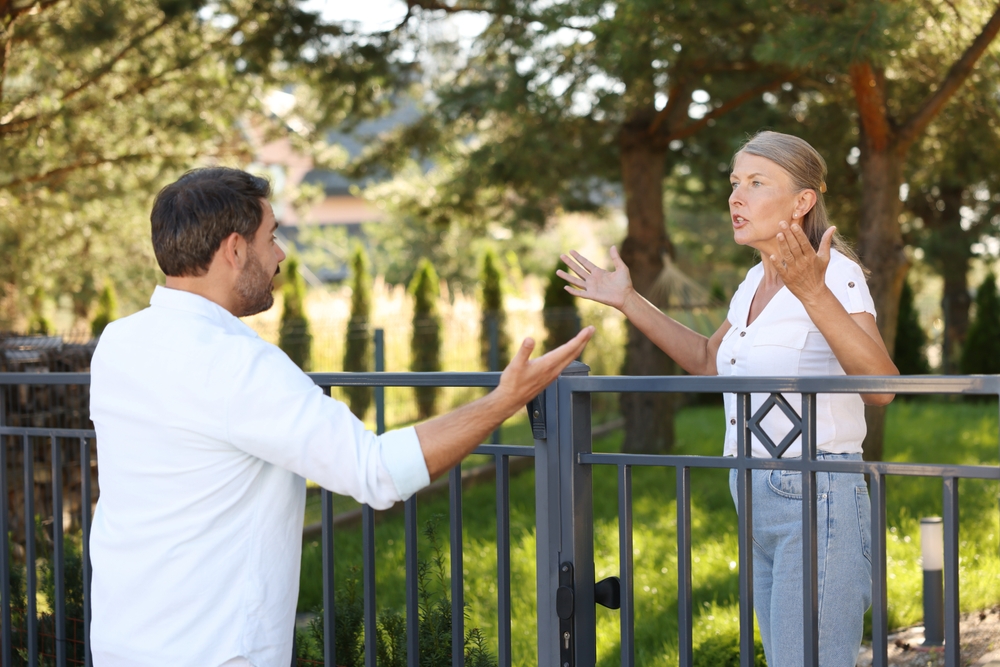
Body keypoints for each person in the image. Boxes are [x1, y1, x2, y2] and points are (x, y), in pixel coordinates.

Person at [89, 167, 593, 667]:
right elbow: (376, 472)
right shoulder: (236, 364)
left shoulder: (119, 342)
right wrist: (505, 400)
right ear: (235, 249)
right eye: (272, 237)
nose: (281, 255)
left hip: (120, 640)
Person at [558, 131, 897, 667]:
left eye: (757, 183)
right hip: (752, 489)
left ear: (802, 201)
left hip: (817, 493)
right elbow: (707, 361)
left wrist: (811, 291)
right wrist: (626, 299)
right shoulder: (751, 282)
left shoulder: (834, 273)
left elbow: (882, 387)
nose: (736, 197)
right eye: (735, 183)